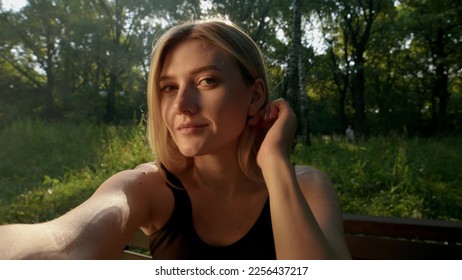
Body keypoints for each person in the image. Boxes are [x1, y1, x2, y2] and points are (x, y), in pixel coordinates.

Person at [0, 18, 351, 260]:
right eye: (169, 88)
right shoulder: (148, 185)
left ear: (255, 95)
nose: (182, 105)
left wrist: (274, 164)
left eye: (207, 81)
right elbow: (62, 244)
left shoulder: (308, 187)